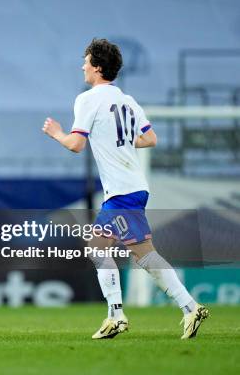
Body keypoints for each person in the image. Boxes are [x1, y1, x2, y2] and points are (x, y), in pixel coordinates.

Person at [42, 38, 209, 340]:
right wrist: (115, 141)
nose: (83, 65)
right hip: (135, 187)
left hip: (120, 190)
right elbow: (150, 139)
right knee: (142, 253)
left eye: (86, 60)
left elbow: (76, 145)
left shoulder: (87, 99)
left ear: (97, 67)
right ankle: (186, 307)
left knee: (98, 247)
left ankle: (121, 315)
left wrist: (56, 133)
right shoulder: (127, 100)